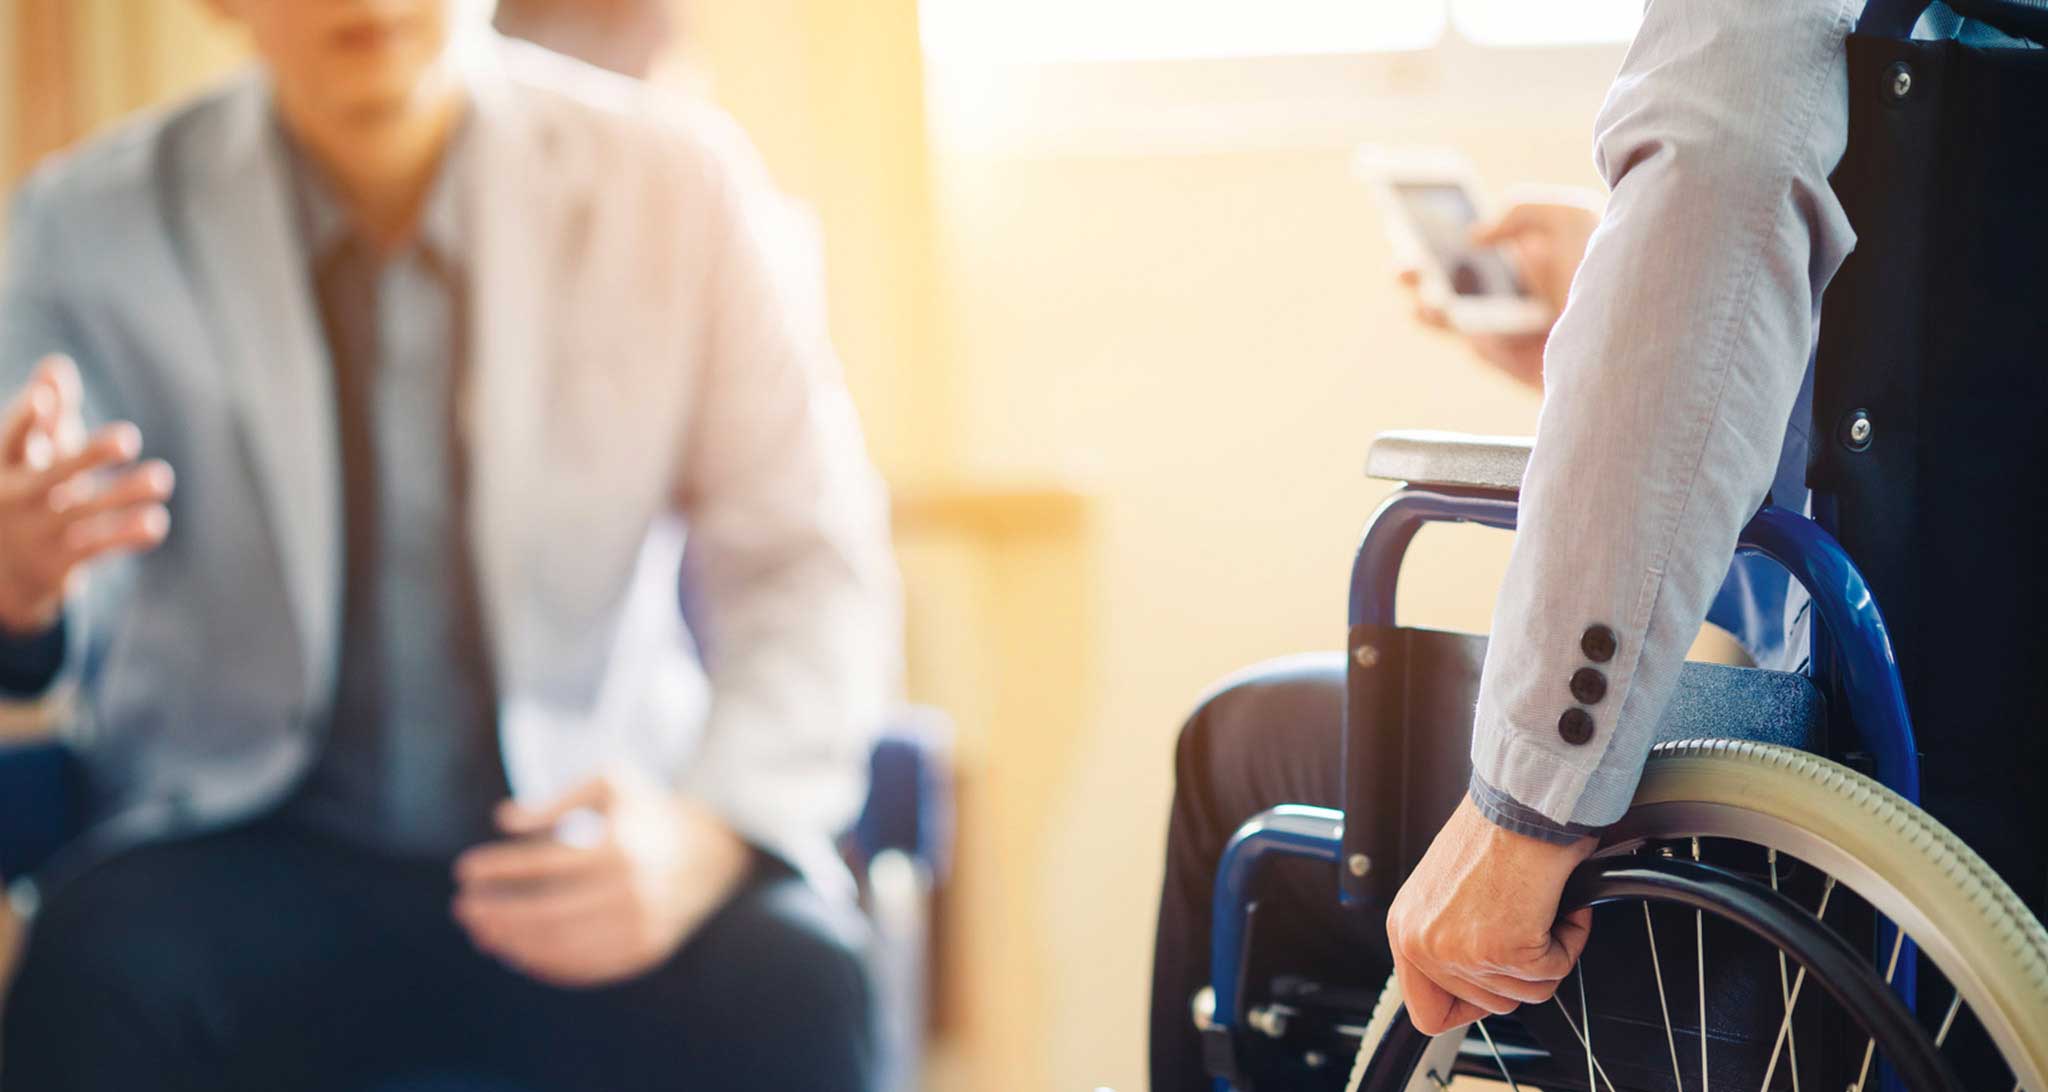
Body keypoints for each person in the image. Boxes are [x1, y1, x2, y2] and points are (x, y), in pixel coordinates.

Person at [0, 2, 898, 1090]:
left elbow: (806, 568)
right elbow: (49, 559)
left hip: (585, 834)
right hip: (237, 849)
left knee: (800, 979)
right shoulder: (86, 224)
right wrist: (21, 583)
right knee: (88, 979)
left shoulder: (679, 184)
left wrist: (706, 839)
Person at [1148, 3, 2035, 1087]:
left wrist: (1523, 804)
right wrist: (1600, 316)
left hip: (1883, 823)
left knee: (1234, 748)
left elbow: (1719, 163)